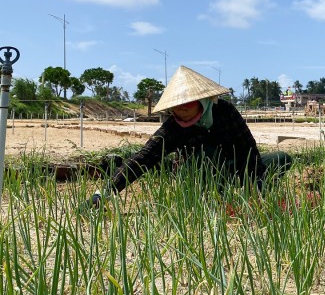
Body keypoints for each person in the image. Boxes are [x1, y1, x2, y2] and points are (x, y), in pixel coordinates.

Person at [89, 66, 292, 205]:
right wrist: (104, 193)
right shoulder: (172, 128)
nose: (182, 110)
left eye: (188, 105)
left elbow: (248, 149)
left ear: (202, 101)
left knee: (282, 158)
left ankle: (249, 192)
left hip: (233, 167)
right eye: (177, 107)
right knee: (206, 154)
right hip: (198, 175)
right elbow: (143, 158)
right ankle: (212, 200)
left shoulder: (226, 112)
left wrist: (258, 187)